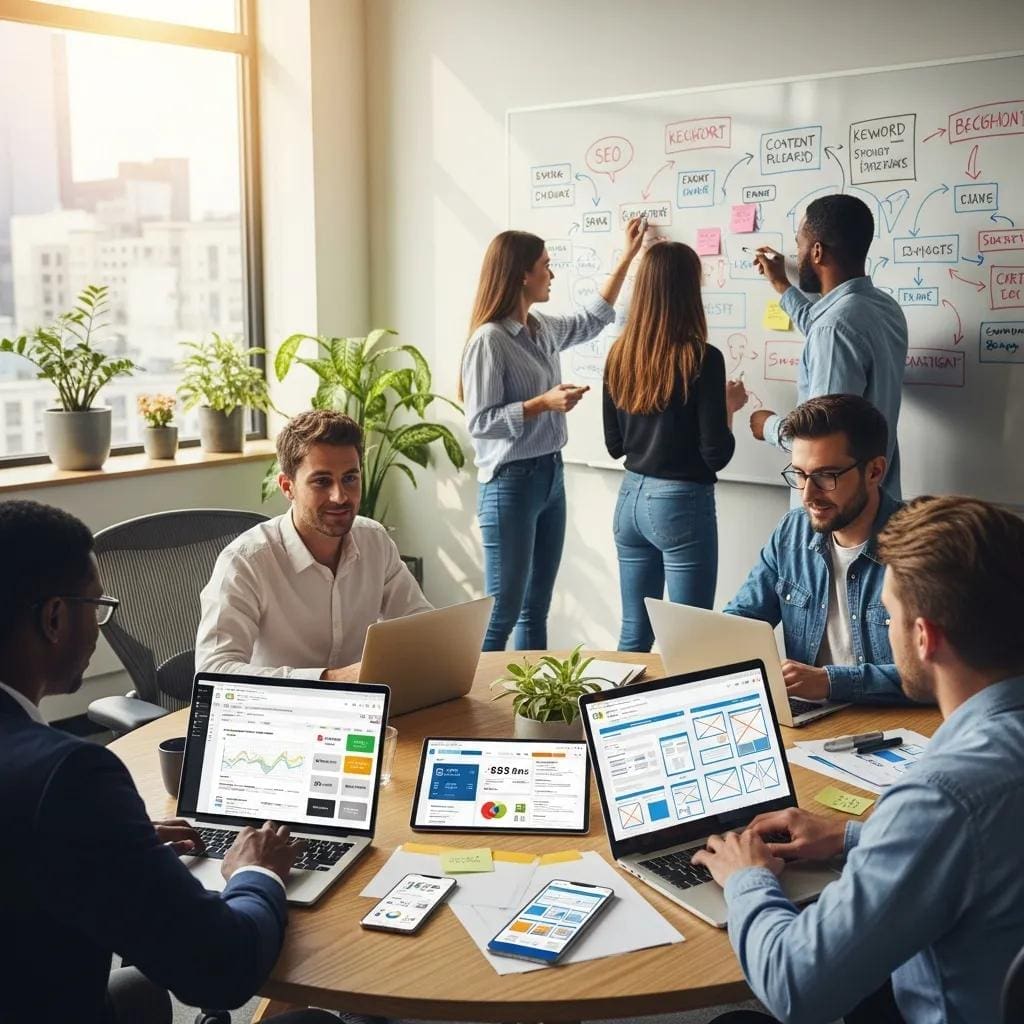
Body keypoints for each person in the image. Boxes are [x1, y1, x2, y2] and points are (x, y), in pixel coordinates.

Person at [0, 499, 337, 1024]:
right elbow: (222, 969)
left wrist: (114, 843)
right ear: (54, 618)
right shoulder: (70, 778)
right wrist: (255, 872)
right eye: (97, 605)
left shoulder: (58, 799)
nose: (98, 626)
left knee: (140, 994)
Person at [697, 495, 1024, 1024]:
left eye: (889, 615)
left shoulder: (942, 795)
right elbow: (986, 843)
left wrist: (745, 876)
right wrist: (852, 837)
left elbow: (793, 987)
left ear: (924, 638)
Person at [460, 218, 645, 651]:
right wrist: (543, 403)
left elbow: (592, 319)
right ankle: (473, 709)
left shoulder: (540, 329)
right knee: (502, 613)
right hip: (510, 484)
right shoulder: (489, 341)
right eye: (546, 264)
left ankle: (531, 710)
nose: (552, 273)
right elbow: (480, 421)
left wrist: (627, 256)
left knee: (535, 608)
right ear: (522, 274)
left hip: (549, 478)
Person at [196, 410, 431, 680]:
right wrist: (328, 678)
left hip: (362, 712)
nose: (340, 496)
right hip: (279, 713)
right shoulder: (246, 561)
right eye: (322, 481)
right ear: (287, 486)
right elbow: (214, 670)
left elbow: (420, 626)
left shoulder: (374, 541)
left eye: (350, 478)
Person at [602, 241, 748, 651]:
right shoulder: (703, 358)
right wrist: (728, 407)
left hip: (629, 499)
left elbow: (615, 444)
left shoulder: (618, 355)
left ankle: (615, 715)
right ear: (689, 291)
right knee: (690, 640)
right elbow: (715, 454)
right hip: (680, 503)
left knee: (634, 631)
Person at [725, 394, 915, 705]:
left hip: (895, 728)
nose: (808, 494)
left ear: (874, 472)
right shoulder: (792, 532)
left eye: (826, 476)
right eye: (799, 474)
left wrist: (831, 682)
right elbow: (743, 619)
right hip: (812, 725)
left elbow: (936, 674)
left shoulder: (922, 547)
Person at [750, 194, 908, 500]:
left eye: (800, 245)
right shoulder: (883, 307)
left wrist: (767, 427)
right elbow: (823, 326)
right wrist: (782, 284)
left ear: (817, 251)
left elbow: (823, 436)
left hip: (833, 509)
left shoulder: (834, 328)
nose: (797, 254)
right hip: (877, 500)